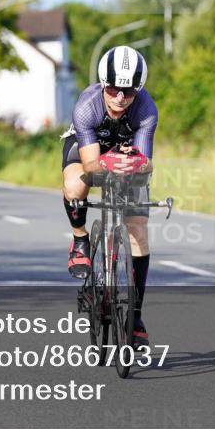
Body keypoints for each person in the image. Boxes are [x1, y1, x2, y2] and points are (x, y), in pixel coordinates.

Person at [61, 45, 157, 347]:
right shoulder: (87, 107)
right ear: (104, 84)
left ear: (137, 90)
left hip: (126, 152)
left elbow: (147, 162)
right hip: (88, 148)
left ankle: (136, 315)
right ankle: (79, 238)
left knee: (138, 226)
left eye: (128, 91)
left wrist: (135, 163)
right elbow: (91, 167)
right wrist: (108, 162)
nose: (119, 97)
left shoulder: (146, 110)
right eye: (114, 88)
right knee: (77, 185)